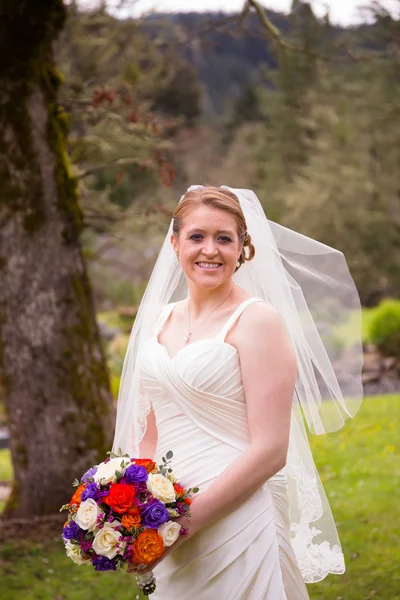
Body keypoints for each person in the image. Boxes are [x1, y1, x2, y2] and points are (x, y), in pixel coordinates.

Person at [112, 185, 364, 599]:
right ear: (174, 243)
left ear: (243, 248)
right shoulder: (158, 321)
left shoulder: (257, 321)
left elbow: (270, 450)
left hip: (240, 519)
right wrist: (137, 517)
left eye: (224, 238)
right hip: (165, 519)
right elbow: (148, 436)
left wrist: (181, 528)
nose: (209, 250)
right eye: (196, 236)